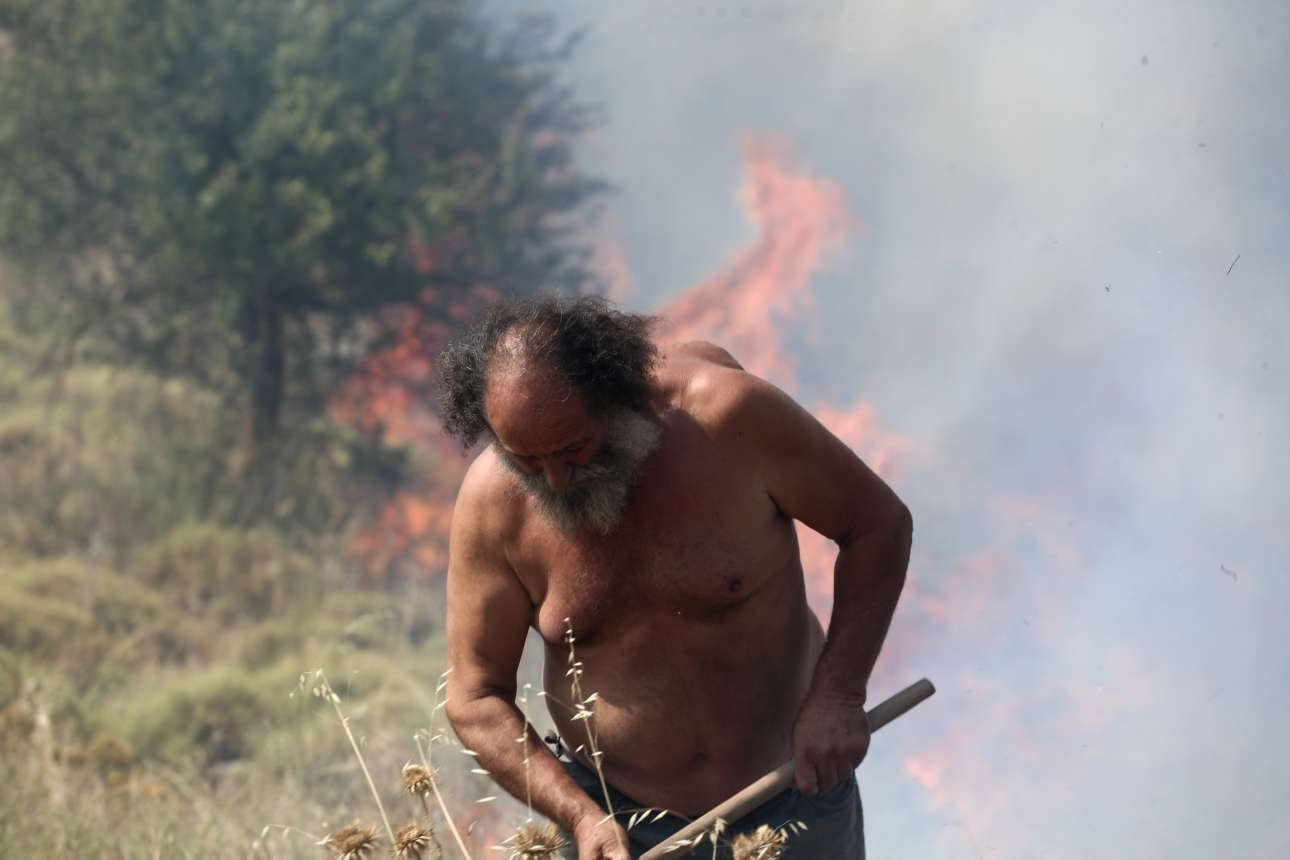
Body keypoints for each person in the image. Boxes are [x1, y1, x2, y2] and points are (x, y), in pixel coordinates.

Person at [439, 296, 911, 859]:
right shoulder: (493, 503)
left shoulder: (729, 419)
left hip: (795, 792)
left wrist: (838, 695)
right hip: (621, 829)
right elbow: (475, 698)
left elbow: (877, 525)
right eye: (526, 460)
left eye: (572, 448)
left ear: (617, 399)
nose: (557, 481)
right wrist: (581, 817)